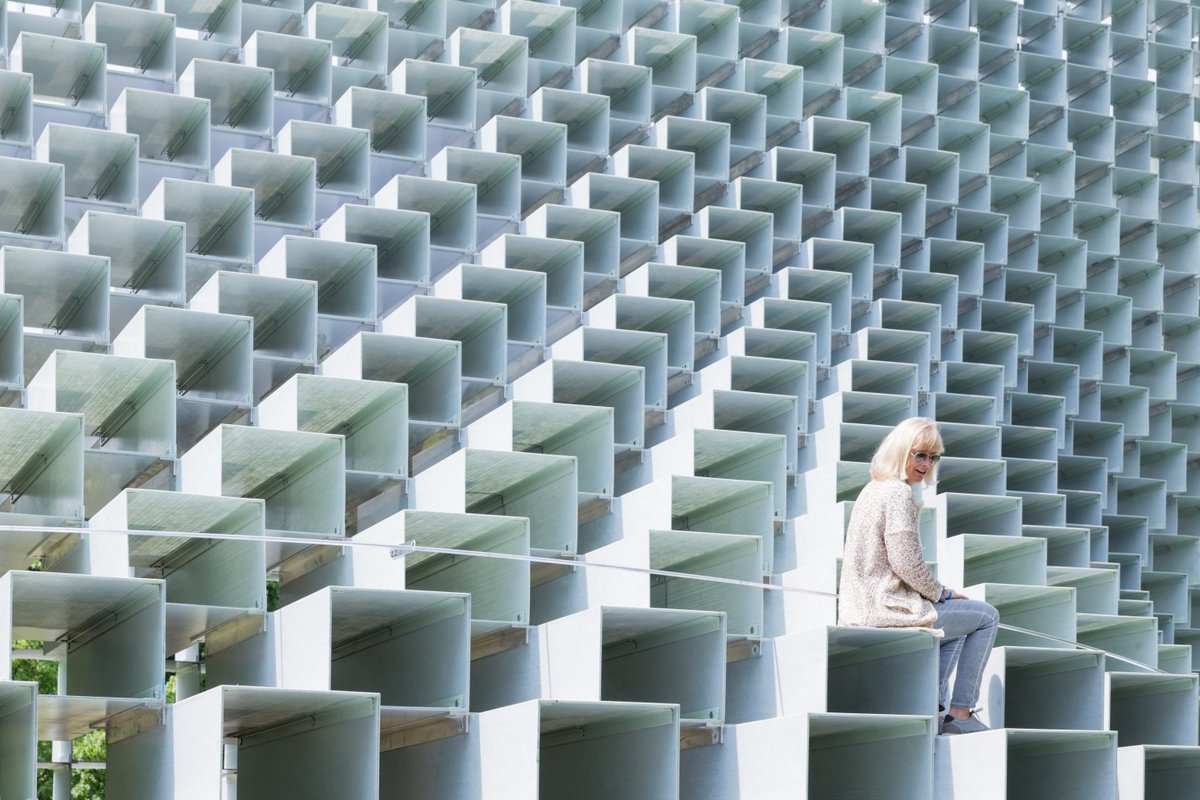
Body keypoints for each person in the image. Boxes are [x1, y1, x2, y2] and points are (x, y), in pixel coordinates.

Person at [837, 416, 999, 735]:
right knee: (986, 617)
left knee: (954, 626)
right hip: (885, 609)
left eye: (932, 457)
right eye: (920, 455)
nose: (926, 464)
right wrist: (942, 592)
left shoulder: (873, 489)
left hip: (860, 609)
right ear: (901, 452)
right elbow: (906, 562)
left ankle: (934, 710)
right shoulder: (899, 493)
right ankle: (960, 712)